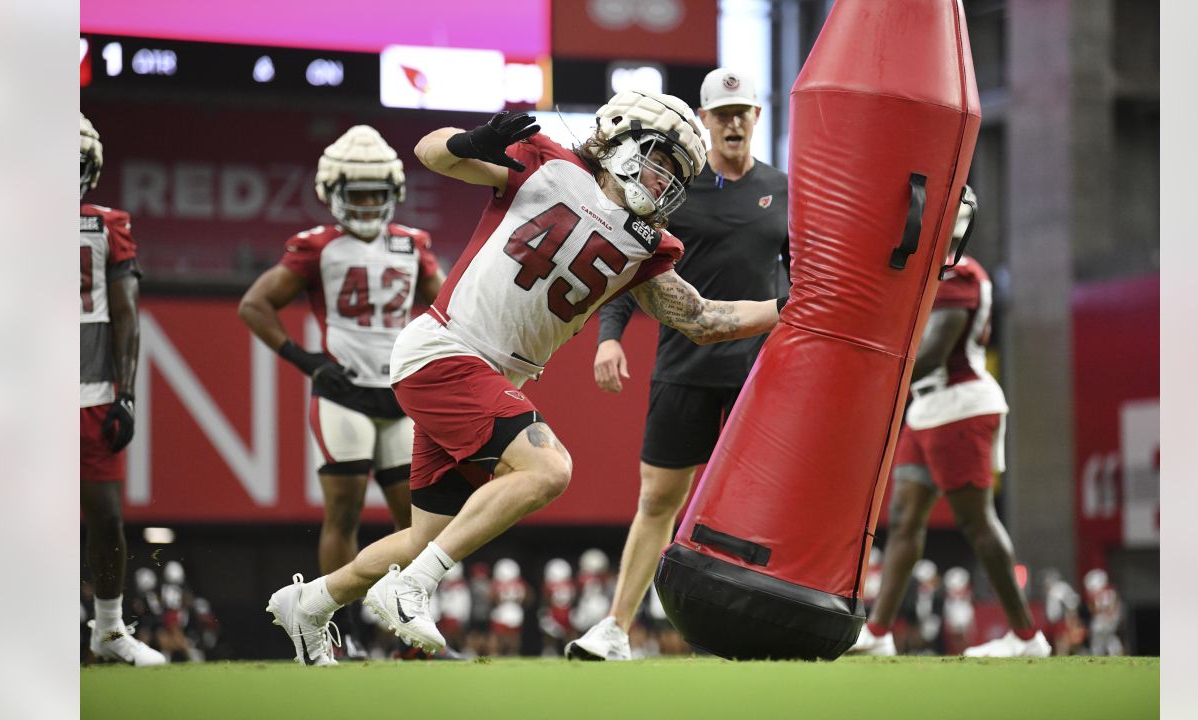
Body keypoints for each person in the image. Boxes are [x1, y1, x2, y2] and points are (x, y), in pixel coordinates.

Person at [265, 89, 782, 666]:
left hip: (480, 372)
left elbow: (702, 318)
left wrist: (790, 307)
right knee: (549, 467)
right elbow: (431, 152)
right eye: (660, 159)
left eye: (676, 173)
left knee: (421, 537)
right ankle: (414, 586)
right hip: (448, 350)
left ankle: (310, 601)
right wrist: (471, 141)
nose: (664, 181)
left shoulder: (647, 243)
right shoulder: (545, 162)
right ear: (624, 138)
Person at [567, 68, 789, 661]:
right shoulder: (675, 191)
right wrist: (608, 339)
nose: (734, 121)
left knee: (763, 506)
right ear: (706, 121)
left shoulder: (784, 190)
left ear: (756, 117)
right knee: (658, 500)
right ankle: (615, 628)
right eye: (722, 113)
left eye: (743, 110)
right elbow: (629, 267)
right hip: (682, 367)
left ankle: (764, 624)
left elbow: (803, 282)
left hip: (757, 376)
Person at [240, 125, 443, 656]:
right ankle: (339, 631)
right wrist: (306, 361)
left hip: (402, 396)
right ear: (333, 194)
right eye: (359, 195)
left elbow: (448, 305)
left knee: (419, 523)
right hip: (344, 394)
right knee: (345, 512)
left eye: (378, 193)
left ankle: (412, 636)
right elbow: (254, 304)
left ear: (394, 192)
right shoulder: (316, 247)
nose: (370, 204)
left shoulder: (412, 244)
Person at [847, 188, 1050, 658]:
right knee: (904, 520)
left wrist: (879, 382)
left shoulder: (960, 273)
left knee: (976, 522)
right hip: (927, 409)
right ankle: (878, 635)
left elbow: (937, 348)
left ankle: (1027, 638)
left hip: (960, 405)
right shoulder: (934, 272)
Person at [79, 112, 166, 666]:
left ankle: (108, 630)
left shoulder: (107, 223)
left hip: (88, 390)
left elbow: (126, 312)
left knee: (107, 517)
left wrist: (126, 391)